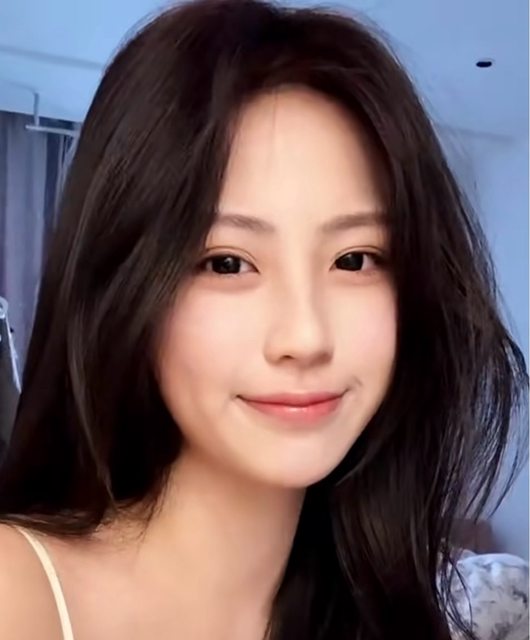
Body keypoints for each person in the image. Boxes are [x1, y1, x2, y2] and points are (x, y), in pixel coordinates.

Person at [0, 0, 526, 638]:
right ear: (121, 286)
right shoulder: (18, 593)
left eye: (355, 259)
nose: (306, 337)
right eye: (227, 263)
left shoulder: (387, 608)